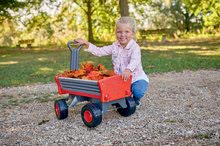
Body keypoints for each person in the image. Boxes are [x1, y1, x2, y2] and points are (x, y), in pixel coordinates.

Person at [74, 16, 149, 106]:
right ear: (116, 33)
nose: (122, 35)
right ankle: (123, 100)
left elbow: (135, 60)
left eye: (127, 32)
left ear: (132, 33)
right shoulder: (114, 46)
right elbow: (99, 51)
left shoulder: (134, 47)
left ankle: (136, 101)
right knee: (111, 93)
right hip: (121, 79)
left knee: (137, 92)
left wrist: (128, 69)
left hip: (136, 78)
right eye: (119, 32)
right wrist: (87, 44)